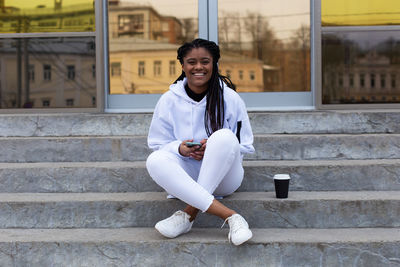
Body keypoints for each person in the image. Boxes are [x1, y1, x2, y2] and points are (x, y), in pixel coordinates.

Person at [146, 38, 255, 246]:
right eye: (191, 62)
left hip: (225, 178)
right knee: (155, 160)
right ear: (183, 65)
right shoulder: (169, 100)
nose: (198, 67)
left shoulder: (230, 98)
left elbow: (245, 144)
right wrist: (179, 148)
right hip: (186, 175)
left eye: (205, 61)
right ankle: (232, 217)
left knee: (223, 137)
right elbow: (157, 142)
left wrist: (212, 148)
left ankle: (188, 215)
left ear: (214, 64)